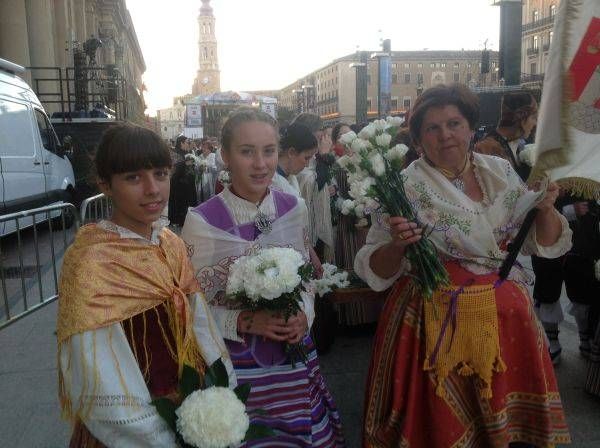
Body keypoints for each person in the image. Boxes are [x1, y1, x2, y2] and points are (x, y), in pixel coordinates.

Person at [355, 84, 572, 447]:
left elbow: (544, 242)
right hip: (431, 325)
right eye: (433, 128)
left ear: (471, 128)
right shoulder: (404, 186)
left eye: (454, 123)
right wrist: (398, 243)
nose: (446, 135)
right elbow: (375, 267)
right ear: (420, 140)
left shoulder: (499, 170)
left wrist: (546, 207)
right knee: (438, 426)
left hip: (506, 320)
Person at [57, 124, 233, 447]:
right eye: (133, 178)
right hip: (136, 424)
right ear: (105, 185)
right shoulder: (90, 261)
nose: (153, 189)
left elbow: (200, 324)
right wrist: (154, 434)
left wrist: (223, 392)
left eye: (161, 173)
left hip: (190, 408)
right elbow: (98, 371)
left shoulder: (170, 242)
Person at [181, 107, 345, 447]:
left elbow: (305, 282)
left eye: (268, 151)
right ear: (225, 156)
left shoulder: (293, 207)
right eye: (246, 152)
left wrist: (304, 316)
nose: (260, 164)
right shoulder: (202, 222)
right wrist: (241, 320)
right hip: (237, 367)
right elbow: (189, 308)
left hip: (293, 359)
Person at [293, 113, 336, 263]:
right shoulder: (300, 159)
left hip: (321, 218)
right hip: (307, 224)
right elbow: (313, 181)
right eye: (318, 136)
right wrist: (323, 155)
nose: (323, 136)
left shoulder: (314, 156)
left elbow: (323, 183)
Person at [475, 91, 538, 181]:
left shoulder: (517, 146)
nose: (535, 123)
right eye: (533, 117)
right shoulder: (486, 148)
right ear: (521, 117)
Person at [168, 134, 197, 226]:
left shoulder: (187, 153)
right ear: (181, 143)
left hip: (187, 185)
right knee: (178, 203)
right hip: (178, 184)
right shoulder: (175, 153)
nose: (188, 145)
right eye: (186, 143)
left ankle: (186, 220)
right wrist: (185, 164)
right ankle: (177, 220)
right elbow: (174, 169)